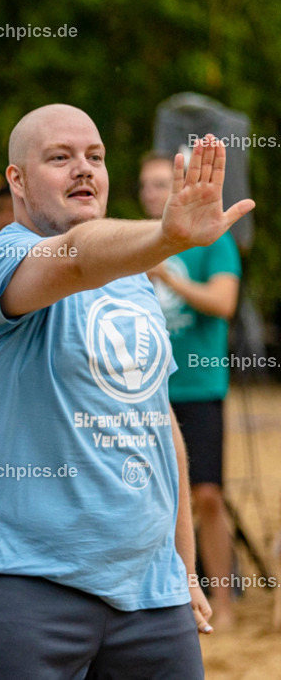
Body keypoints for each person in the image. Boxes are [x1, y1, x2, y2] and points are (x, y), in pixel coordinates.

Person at [0, 104, 253, 678]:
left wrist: (181, 567)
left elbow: (156, 421)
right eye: (60, 157)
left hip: (150, 597)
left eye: (96, 156)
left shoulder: (134, 282)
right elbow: (77, 258)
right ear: (17, 181)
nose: (84, 168)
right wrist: (165, 236)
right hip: (17, 586)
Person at [140, 150, 242, 629]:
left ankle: (223, 599)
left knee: (207, 495)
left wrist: (165, 277)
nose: (151, 193)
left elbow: (223, 302)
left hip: (199, 385)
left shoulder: (212, 240)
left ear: (181, 186)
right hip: (144, 389)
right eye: (145, 185)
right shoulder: (136, 240)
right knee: (148, 498)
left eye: (161, 184)